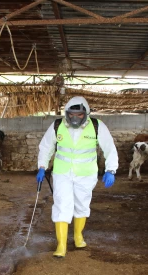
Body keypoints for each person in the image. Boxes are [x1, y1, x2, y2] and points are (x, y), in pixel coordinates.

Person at [36, 96, 118, 258]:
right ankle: (61, 245)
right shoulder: (57, 125)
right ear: (66, 113)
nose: (75, 118)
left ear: (86, 113)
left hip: (86, 174)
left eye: (79, 114)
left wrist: (111, 169)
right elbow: (46, 147)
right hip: (62, 173)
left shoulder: (97, 126)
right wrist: (42, 166)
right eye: (71, 114)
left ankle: (78, 235)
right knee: (61, 205)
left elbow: (109, 148)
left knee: (81, 204)